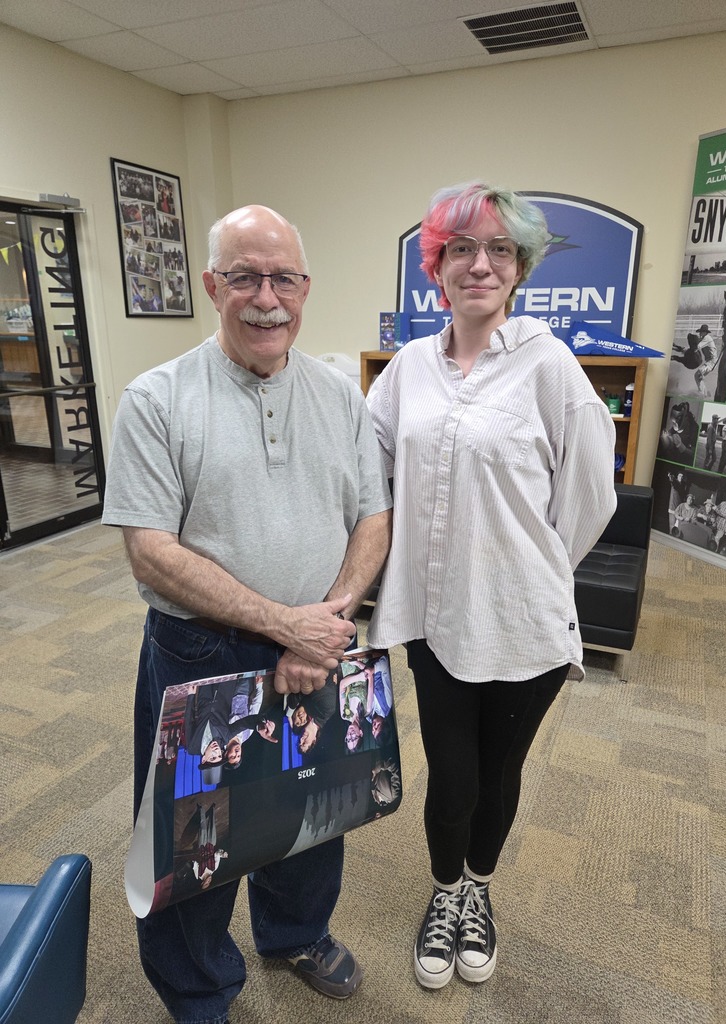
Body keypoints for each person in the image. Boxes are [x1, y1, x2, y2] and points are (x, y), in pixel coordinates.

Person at [102, 204, 392, 1024]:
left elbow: (373, 519)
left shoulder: (340, 396)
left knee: (313, 803)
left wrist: (323, 624)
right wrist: (282, 625)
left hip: (320, 640)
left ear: (306, 287)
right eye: (245, 278)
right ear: (210, 286)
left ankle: (295, 933)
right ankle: (199, 989)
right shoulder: (157, 399)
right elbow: (152, 552)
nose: (268, 298)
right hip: (203, 652)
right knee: (196, 838)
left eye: (284, 279)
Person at [366, 182, 616, 990]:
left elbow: (591, 495)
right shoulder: (408, 367)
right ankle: (445, 895)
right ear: (436, 267)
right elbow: (369, 471)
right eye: (462, 249)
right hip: (434, 615)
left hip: (522, 622)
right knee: (452, 777)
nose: (481, 264)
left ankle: (477, 889)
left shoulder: (549, 365)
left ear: (520, 268)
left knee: (500, 774)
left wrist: (532, 570)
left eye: (500, 250)